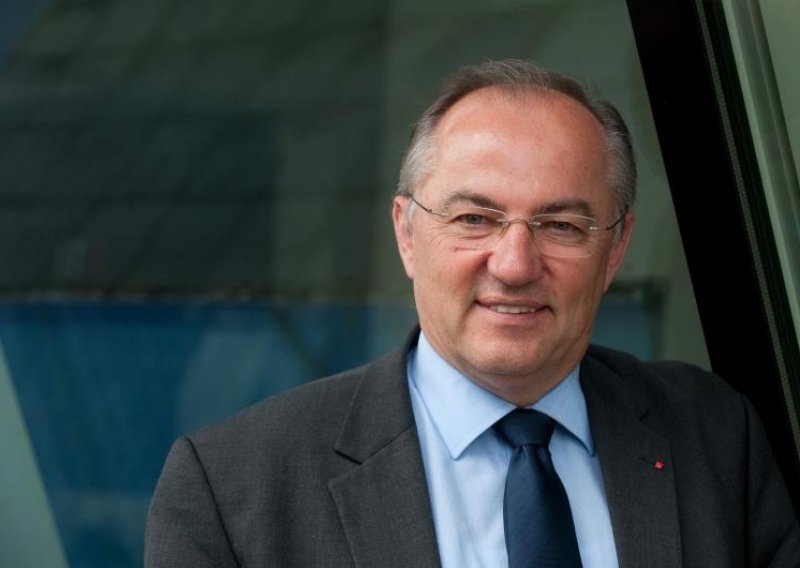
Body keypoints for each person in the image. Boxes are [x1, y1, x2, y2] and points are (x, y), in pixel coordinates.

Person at [145, 59, 800, 567]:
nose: (514, 263)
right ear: (407, 233)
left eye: (562, 225)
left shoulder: (714, 436)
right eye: (474, 219)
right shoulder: (233, 488)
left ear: (616, 249)